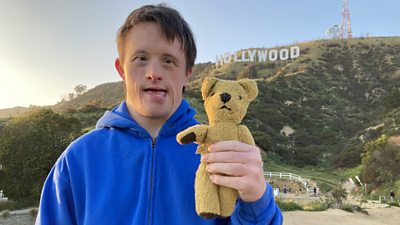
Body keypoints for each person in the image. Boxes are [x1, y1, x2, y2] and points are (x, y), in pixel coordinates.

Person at [35, 4, 282, 225]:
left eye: (168, 61)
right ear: (122, 69)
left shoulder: (220, 152)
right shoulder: (78, 158)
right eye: (141, 58)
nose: (154, 72)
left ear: (188, 73)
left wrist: (257, 199)